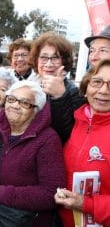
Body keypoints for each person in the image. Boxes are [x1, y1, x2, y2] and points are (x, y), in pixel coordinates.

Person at [0, 80, 66, 226]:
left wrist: (3, 194)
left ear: (36, 111)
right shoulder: (0, 130)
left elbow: (52, 193)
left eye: (24, 103)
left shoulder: (47, 139)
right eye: (11, 99)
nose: (15, 105)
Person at [55, 59, 110, 226]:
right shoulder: (72, 121)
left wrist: (87, 204)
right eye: (97, 82)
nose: (104, 90)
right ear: (86, 88)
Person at [29, 32, 85, 142]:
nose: (49, 64)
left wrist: (60, 97)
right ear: (36, 60)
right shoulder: (30, 86)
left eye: (55, 58)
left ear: (64, 61)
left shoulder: (74, 92)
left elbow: (66, 134)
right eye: (44, 57)